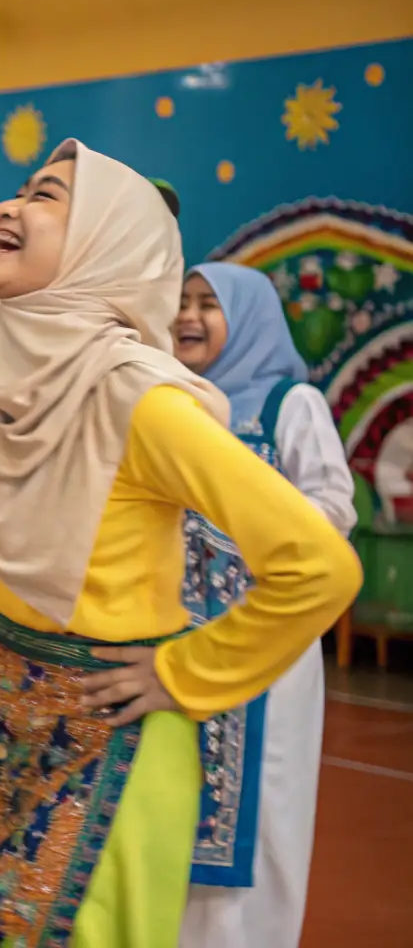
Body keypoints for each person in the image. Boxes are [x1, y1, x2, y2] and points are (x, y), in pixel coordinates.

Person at [0, 140, 362, 946]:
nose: (8, 207)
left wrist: (180, 673)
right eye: (18, 189)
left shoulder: (141, 403)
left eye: (46, 196)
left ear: (103, 245)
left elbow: (318, 564)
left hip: (108, 743)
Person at [174, 262, 355, 948]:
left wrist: (242, 535)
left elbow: (332, 508)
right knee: (183, 808)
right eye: (181, 303)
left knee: (264, 816)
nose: (188, 317)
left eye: (207, 305)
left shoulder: (288, 404)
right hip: (182, 643)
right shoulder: (172, 404)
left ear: (248, 316)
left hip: (266, 648)